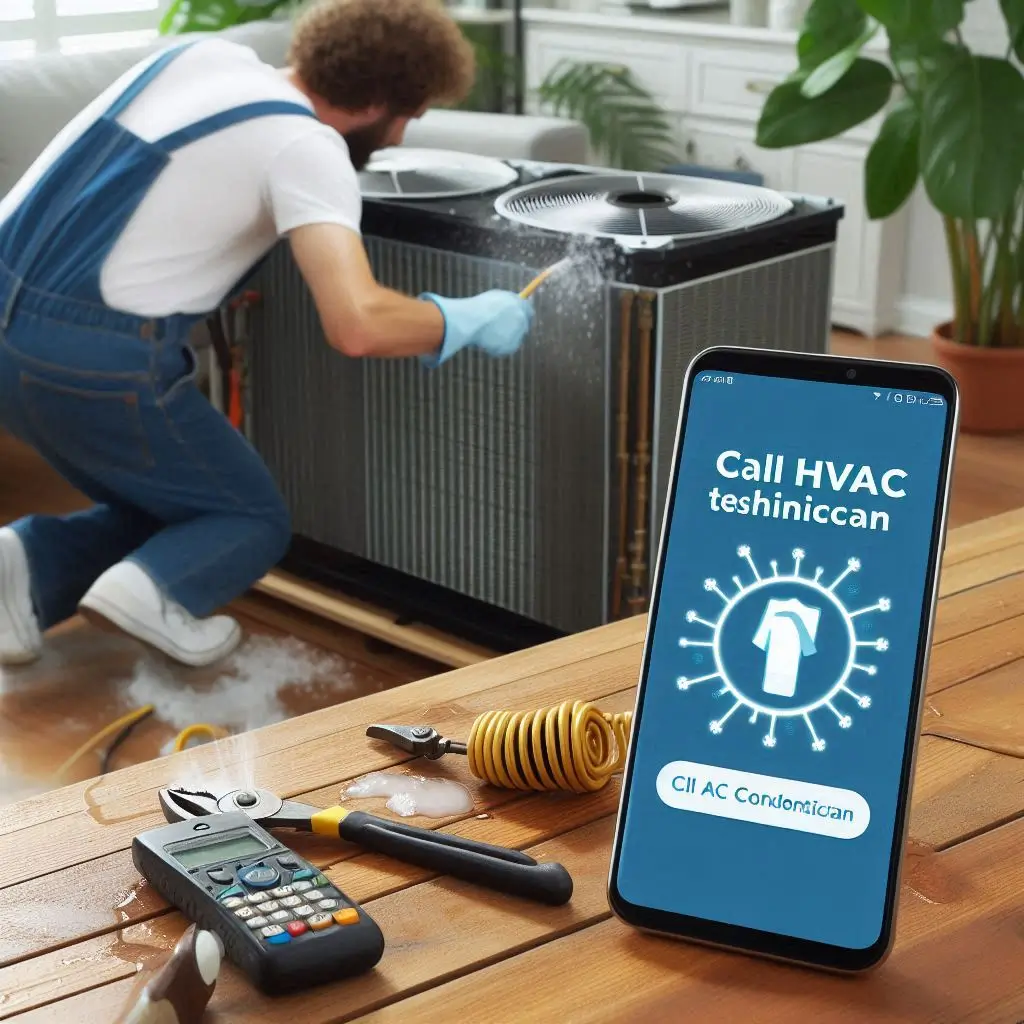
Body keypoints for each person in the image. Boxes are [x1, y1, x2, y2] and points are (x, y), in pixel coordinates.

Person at [0, 0, 534, 669]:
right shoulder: (306, 146)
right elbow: (357, 323)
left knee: (178, 500)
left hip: (7, 324)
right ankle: (156, 596)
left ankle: (23, 567)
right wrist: (463, 318)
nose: (398, 139)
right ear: (376, 100)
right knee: (249, 519)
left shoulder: (198, 60)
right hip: (89, 358)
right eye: (408, 116)